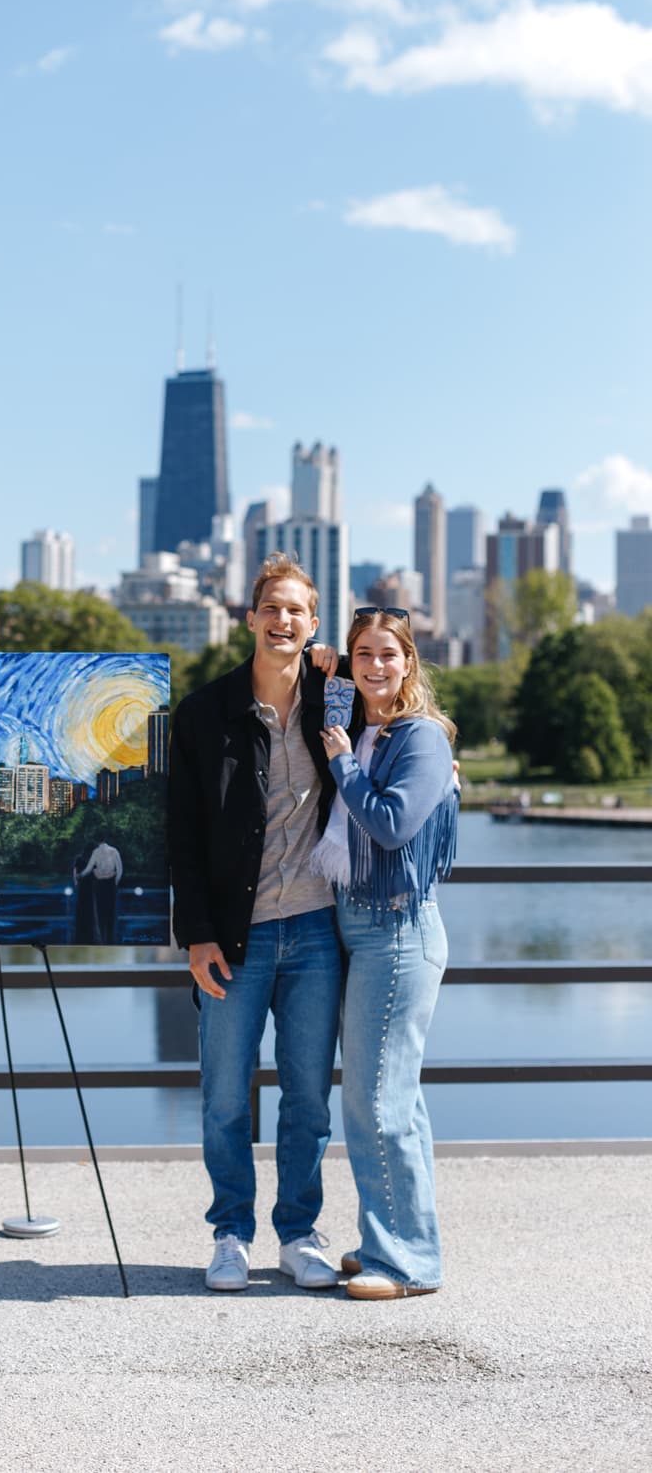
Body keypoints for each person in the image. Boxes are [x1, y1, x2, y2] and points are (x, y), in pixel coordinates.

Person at [170, 555, 344, 1292]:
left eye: (297, 612)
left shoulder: (337, 702)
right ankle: (230, 1233)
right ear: (250, 619)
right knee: (222, 1092)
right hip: (234, 938)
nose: (283, 621)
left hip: (316, 931)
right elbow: (182, 831)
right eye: (271, 609)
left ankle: (299, 1233)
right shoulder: (205, 713)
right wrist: (197, 933)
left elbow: (405, 720)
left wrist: (450, 769)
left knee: (308, 1095)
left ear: (312, 625)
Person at [311, 607, 459, 1300]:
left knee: (377, 1099)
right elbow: (323, 688)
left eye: (388, 655)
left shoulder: (420, 738)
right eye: (362, 654)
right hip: (357, 924)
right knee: (394, 1097)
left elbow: (393, 825)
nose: (374, 666)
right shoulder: (367, 727)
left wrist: (342, 763)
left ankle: (404, 1263)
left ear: (410, 664)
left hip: (397, 929)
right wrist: (323, 667)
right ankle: (398, 1237)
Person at [78, 838, 123, 941]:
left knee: (100, 912)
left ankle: (102, 938)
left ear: (98, 842)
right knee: (111, 912)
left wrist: (80, 875)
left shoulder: (96, 852)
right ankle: (111, 938)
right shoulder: (114, 850)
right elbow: (120, 870)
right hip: (111, 883)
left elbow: (89, 868)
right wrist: (115, 882)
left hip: (100, 884)